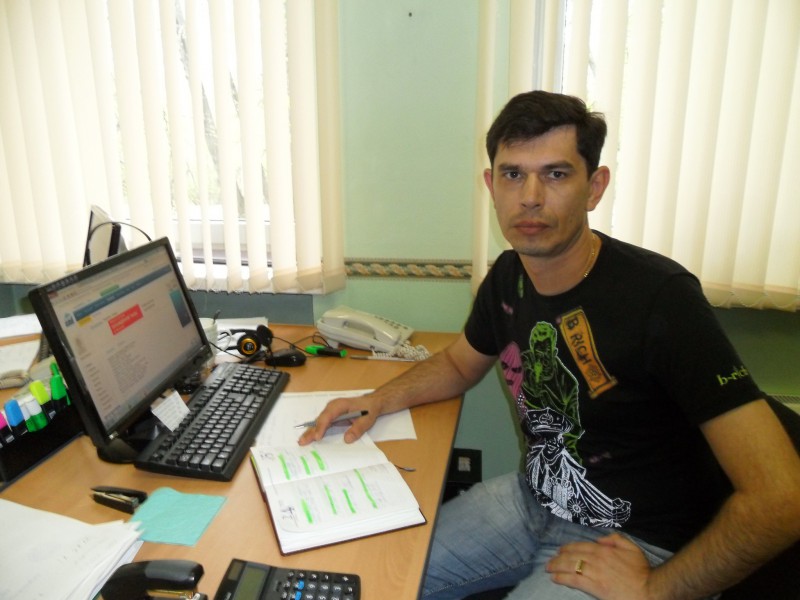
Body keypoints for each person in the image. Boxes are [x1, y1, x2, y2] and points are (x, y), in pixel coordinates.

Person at [299, 91, 800, 599]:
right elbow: (457, 364)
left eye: (556, 174)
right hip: (533, 499)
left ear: (594, 188)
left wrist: (656, 591)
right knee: (366, 580)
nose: (531, 197)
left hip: (635, 543)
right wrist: (377, 400)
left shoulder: (660, 299)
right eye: (513, 174)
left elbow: (782, 498)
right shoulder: (509, 276)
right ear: (491, 185)